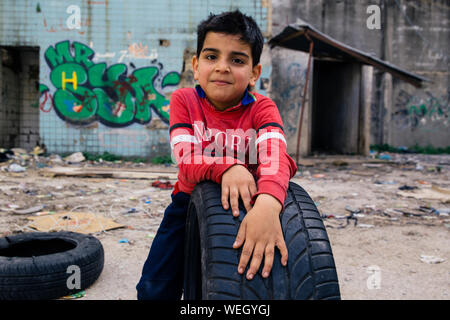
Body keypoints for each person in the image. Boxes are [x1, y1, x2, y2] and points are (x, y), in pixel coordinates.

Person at [136, 9, 298, 300]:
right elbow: (184, 158)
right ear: (196, 66)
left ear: (254, 74)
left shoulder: (263, 108)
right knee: (153, 288)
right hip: (187, 205)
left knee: (248, 281)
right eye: (212, 57)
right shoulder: (183, 100)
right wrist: (228, 167)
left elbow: (276, 157)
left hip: (248, 204)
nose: (222, 67)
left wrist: (269, 204)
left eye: (237, 60)